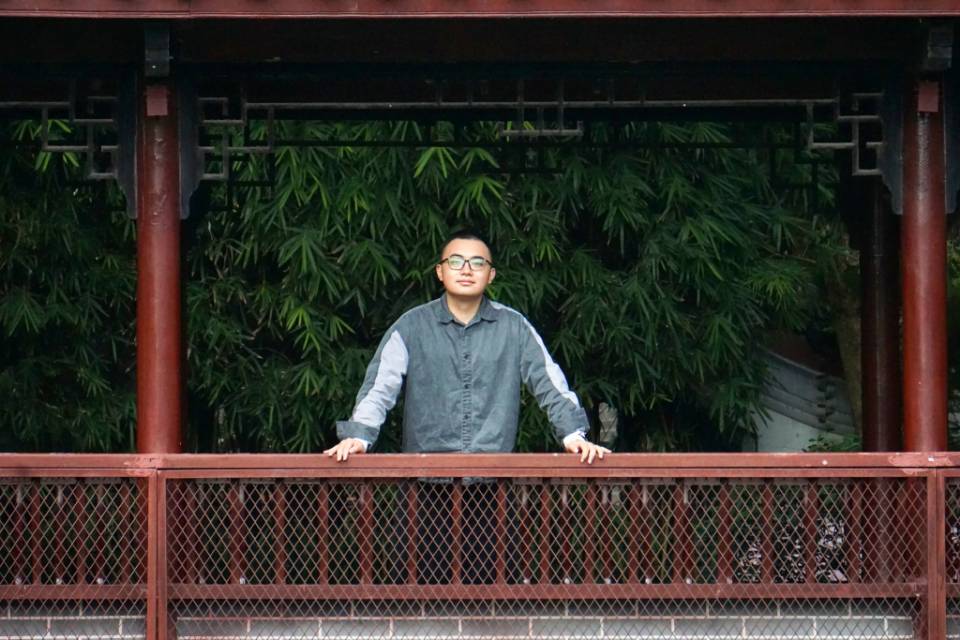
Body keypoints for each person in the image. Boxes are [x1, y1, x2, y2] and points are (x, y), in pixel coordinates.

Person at [325, 231, 610, 463]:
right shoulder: (410, 326)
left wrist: (573, 435)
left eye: (477, 263)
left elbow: (549, 382)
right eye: (456, 261)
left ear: (491, 274)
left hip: (493, 479)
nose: (466, 270)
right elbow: (380, 388)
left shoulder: (514, 327)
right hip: (423, 479)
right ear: (440, 271)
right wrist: (358, 436)